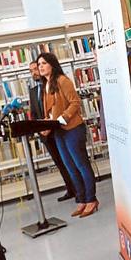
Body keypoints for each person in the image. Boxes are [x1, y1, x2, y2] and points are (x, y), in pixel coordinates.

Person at [36, 52, 98, 217]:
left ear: (52, 64)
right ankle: (81, 200)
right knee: (70, 167)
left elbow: (75, 103)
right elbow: (51, 112)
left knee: (81, 165)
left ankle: (91, 199)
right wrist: (46, 124)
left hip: (72, 129)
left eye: (43, 63)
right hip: (58, 132)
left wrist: (63, 118)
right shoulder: (46, 85)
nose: (40, 66)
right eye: (39, 64)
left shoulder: (62, 80)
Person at [28, 61, 76, 203]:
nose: (34, 73)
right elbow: (34, 113)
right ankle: (70, 189)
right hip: (44, 134)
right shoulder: (32, 91)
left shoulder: (51, 85)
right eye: (31, 71)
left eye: (36, 69)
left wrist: (50, 125)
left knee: (69, 161)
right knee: (59, 162)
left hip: (58, 129)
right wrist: (40, 129)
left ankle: (79, 189)